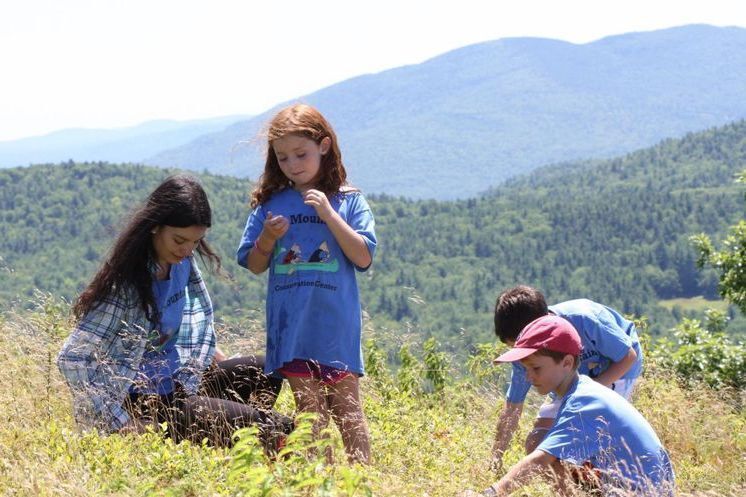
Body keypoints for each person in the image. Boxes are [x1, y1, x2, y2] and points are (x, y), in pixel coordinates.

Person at [57, 175, 292, 450]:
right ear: (155, 226)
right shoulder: (126, 284)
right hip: (145, 403)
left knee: (269, 369)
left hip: (181, 382)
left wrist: (207, 351)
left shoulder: (181, 262)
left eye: (195, 241)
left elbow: (184, 315)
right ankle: (241, 441)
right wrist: (121, 422)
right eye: (179, 240)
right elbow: (72, 359)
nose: (187, 249)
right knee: (278, 429)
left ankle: (232, 449)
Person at [236, 103, 377, 464]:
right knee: (309, 413)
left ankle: (362, 481)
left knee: (347, 410)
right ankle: (320, 482)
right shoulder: (271, 203)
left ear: (324, 147)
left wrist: (328, 215)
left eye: (301, 154)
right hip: (292, 327)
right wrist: (267, 237)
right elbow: (253, 263)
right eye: (283, 158)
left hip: (335, 327)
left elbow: (363, 256)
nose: (293, 165)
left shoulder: (348, 200)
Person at [459, 316, 674, 497]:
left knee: (549, 454)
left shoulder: (583, 403)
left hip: (642, 491)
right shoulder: (582, 391)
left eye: (535, 368)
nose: (529, 376)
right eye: (526, 368)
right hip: (644, 487)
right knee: (555, 454)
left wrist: (490, 493)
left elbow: (540, 460)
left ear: (567, 363)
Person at [491, 285, 643, 470]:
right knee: (538, 441)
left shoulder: (585, 319)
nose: (522, 355)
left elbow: (628, 356)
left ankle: (605, 478)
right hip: (571, 378)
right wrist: (496, 457)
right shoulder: (523, 350)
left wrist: (585, 396)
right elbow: (513, 407)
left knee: (588, 434)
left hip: (618, 368)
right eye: (516, 348)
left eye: (525, 348)